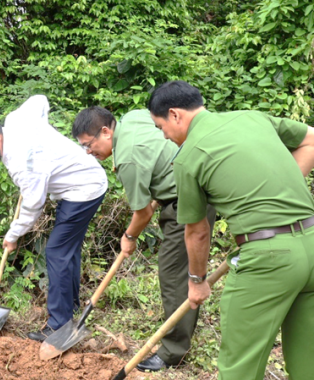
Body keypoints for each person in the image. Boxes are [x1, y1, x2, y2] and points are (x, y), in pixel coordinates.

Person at [147, 80, 314, 380]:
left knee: (240, 366)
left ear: (174, 115)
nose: (165, 136)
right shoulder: (252, 117)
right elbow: (311, 139)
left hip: (270, 260)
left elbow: (197, 232)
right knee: (309, 361)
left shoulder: (188, 156)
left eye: (160, 127)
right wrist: (277, 191)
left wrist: (197, 281)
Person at [71, 107, 216, 371]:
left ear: (106, 131)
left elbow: (143, 213)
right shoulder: (134, 117)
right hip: (185, 188)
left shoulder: (127, 158)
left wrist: (129, 237)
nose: (88, 152)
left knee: (173, 274)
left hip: (188, 199)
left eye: (89, 145)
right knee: (177, 271)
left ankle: (174, 351)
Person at [0, 95, 108, 341]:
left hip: (83, 189)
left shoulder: (21, 164)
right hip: (82, 183)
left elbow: (34, 204)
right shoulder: (16, 120)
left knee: (57, 252)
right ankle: (71, 306)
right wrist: (43, 136)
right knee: (67, 248)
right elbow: (40, 100)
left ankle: (59, 325)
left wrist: (13, 234)